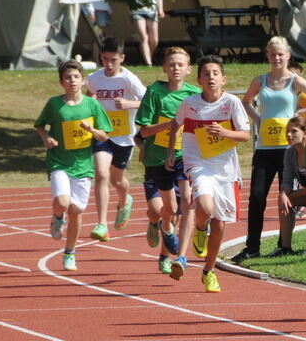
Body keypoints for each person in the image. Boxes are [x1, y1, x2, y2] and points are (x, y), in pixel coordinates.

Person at [231, 37, 306, 261]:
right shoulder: (261, 81)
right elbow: (245, 101)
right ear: (267, 56)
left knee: (285, 195)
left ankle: (283, 244)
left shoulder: (295, 81)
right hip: (264, 147)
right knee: (257, 197)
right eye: (272, 54)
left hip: (288, 148)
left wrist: (301, 114)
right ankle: (252, 247)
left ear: (287, 56)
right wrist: (259, 120)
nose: (276, 58)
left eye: (280, 54)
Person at [167, 54, 250, 291]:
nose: (211, 77)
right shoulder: (190, 103)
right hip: (198, 164)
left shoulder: (231, 103)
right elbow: (175, 124)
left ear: (223, 79)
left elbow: (244, 135)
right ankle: (200, 229)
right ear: (199, 79)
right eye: (206, 74)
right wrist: (172, 151)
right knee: (204, 205)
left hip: (225, 170)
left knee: (221, 224)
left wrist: (224, 134)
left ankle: (209, 271)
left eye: (215, 73)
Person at [34, 59, 113, 271]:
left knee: (77, 211)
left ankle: (69, 253)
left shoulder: (92, 105)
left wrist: (91, 130)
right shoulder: (54, 104)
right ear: (61, 82)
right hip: (59, 161)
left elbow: (104, 135)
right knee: (62, 200)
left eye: (76, 77)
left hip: (83, 165)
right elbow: (40, 125)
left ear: (83, 80)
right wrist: (46, 139)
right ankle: (57, 217)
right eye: (67, 77)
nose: (72, 81)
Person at [134, 46, 201, 275]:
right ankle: (157, 224)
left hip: (183, 157)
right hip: (156, 160)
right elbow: (142, 132)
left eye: (180, 64)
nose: (175, 68)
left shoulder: (193, 95)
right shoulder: (154, 92)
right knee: (161, 210)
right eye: (171, 64)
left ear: (188, 69)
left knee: (179, 207)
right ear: (164, 67)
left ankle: (165, 255)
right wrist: (171, 124)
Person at [85, 37, 146, 242]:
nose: (109, 65)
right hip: (102, 134)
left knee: (117, 180)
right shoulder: (94, 78)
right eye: (104, 59)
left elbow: (147, 102)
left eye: (113, 60)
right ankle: (102, 224)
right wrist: (89, 103)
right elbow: (86, 97)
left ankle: (124, 200)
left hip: (124, 137)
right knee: (101, 173)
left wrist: (129, 103)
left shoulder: (129, 79)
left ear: (122, 58)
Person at [279, 116, 306, 253]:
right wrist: (283, 194)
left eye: (294, 131)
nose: (288, 135)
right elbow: (287, 180)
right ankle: (285, 247)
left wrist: (291, 195)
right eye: (287, 131)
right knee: (284, 200)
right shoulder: (290, 153)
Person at [130, 0, 165, 66]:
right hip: (137, 10)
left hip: (152, 10)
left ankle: (148, 57)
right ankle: (148, 63)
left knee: (154, 40)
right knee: (144, 37)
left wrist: (160, 9)